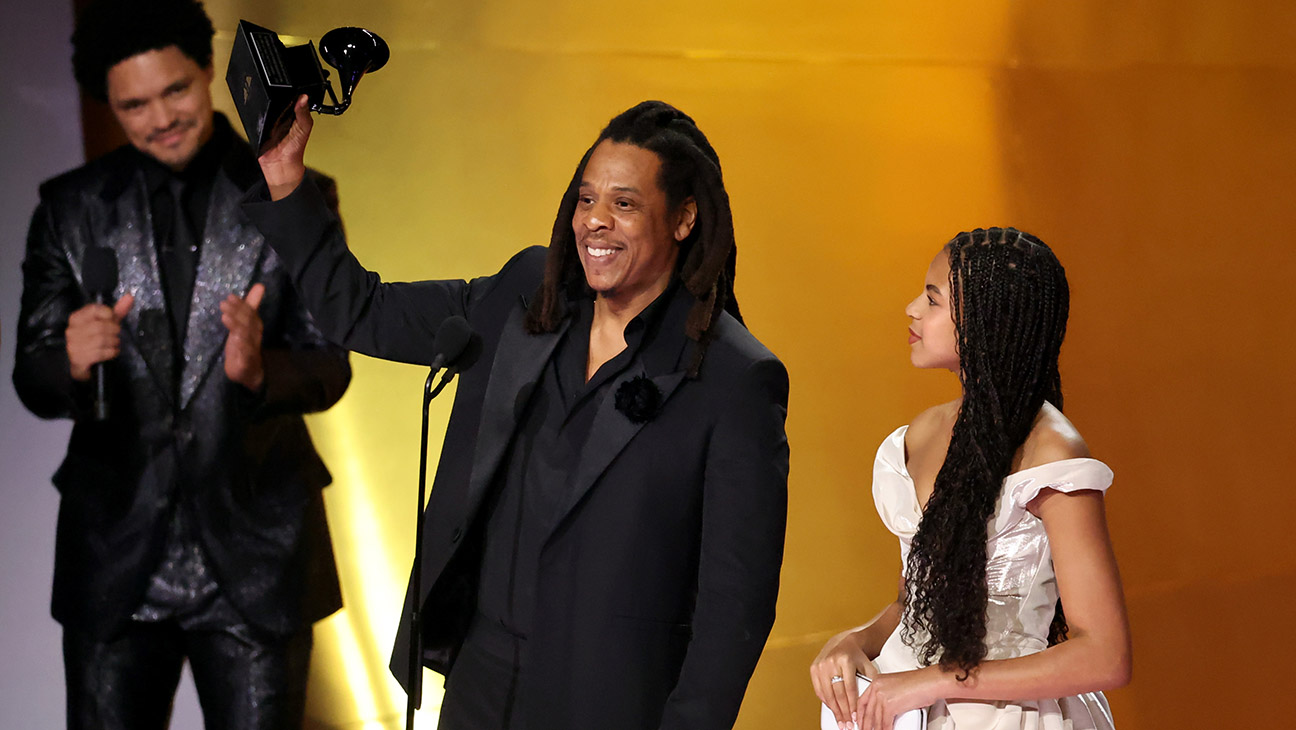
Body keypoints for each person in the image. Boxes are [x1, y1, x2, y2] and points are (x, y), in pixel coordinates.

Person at [241, 98, 790, 729]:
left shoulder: (732, 379)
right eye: (586, 200)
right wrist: (286, 178)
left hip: (609, 701)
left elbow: (735, 606)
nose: (595, 223)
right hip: (482, 680)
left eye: (625, 203)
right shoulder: (530, 292)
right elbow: (362, 312)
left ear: (685, 218)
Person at [12, 1, 351, 728]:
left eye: (175, 91)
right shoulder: (68, 210)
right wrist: (69, 363)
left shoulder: (298, 198)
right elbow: (30, 375)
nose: (160, 117)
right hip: (115, 557)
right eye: (134, 104)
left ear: (206, 70)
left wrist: (263, 370)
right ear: (111, 104)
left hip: (258, 551)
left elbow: (331, 366)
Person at [810, 228, 1132, 730]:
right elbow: (913, 602)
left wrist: (937, 680)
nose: (911, 309)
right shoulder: (920, 433)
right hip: (902, 707)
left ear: (988, 321)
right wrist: (854, 641)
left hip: (1010, 716)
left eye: (933, 300)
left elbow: (1105, 655)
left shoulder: (1052, 451)